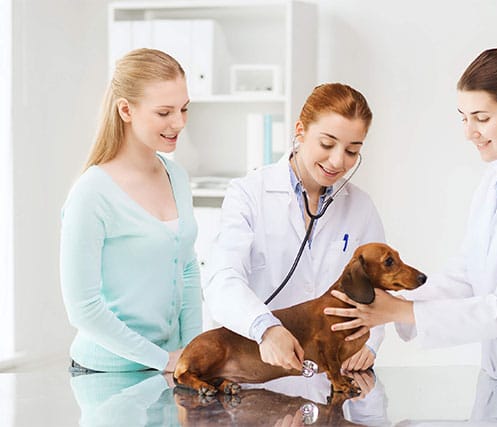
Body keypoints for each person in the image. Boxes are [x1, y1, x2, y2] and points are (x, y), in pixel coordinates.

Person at [325, 47, 497, 425]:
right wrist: (393, 301)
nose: (469, 132)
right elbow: (468, 273)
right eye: (464, 118)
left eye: (481, 118)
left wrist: (402, 311)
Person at [204, 83, 385, 373]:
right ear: (300, 131)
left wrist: (370, 343)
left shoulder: (360, 206)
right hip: (258, 367)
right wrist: (264, 327)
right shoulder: (249, 193)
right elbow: (222, 280)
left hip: (333, 373)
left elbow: (381, 284)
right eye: (327, 144)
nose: (338, 161)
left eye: (352, 151)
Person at [60, 48, 201, 374]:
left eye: (183, 109)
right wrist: (161, 360)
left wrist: (195, 352)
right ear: (126, 110)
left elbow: (188, 269)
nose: (178, 122)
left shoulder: (176, 176)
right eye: (164, 112)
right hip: (107, 372)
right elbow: (83, 309)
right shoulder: (91, 193)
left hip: (172, 368)